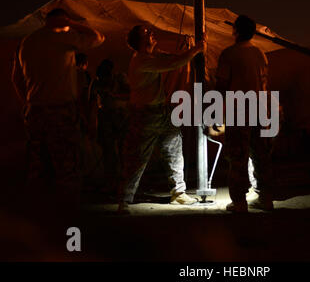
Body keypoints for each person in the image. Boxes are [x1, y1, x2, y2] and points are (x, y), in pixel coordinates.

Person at [11, 8, 105, 205]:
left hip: (34, 110)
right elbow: (98, 37)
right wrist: (71, 23)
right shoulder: (63, 37)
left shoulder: (27, 41)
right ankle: (65, 218)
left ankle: (37, 215)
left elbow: (16, 79)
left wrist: (28, 102)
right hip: (59, 109)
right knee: (67, 167)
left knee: (38, 165)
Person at [117, 24, 206, 213]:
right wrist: (197, 49)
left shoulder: (150, 56)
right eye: (146, 33)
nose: (151, 34)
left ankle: (178, 193)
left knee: (174, 150)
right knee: (138, 158)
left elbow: (172, 58)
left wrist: (187, 51)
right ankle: (124, 199)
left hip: (159, 112)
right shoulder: (141, 60)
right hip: (146, 115)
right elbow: (173, 63)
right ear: (140, 42)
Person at [215, 15, 275, 213]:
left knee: (238, 157)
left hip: (239, 110)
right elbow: (265, 85)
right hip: (260, 110)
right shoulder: (260, 54)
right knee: (261, 156)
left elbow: (222, 86)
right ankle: (265, 199)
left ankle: (239, 202)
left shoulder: (229, 54)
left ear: (235, 31)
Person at [91, 59, 130, 195]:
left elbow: (129, 94)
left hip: (118, 115)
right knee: (109, 152)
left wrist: (113, 93)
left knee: (122, 151)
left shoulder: (119, 78)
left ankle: (123, 184)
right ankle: (113, 183)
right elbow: (90, 99)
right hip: (108, 116)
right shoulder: (98, 81)